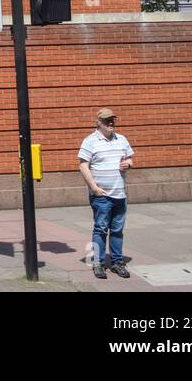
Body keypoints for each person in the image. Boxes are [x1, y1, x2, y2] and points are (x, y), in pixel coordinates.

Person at [77, 107, 134, 279]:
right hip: (101, 195)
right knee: (100, 229)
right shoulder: (90, 141)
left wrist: (129, 164)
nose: (111, 123)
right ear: (99, 123)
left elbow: (130, 158)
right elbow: (83, 164)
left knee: (117, 229)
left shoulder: (121, 139)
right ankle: (98, 262)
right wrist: (94, 187)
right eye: (107, 121)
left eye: (113, 120)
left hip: (119, 193)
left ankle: (117, 262)